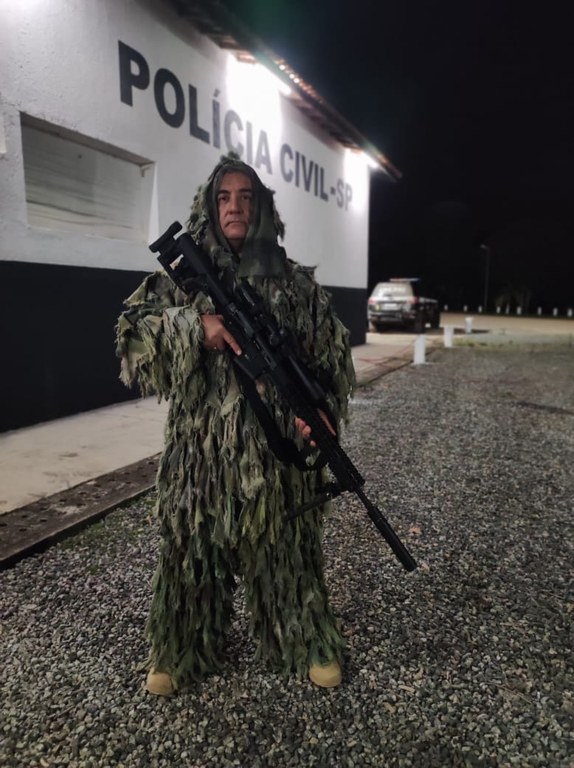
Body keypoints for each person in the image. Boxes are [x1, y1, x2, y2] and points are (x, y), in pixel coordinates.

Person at [116, 154, 355, 695]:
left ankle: (303, 640)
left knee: (285, 548)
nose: (234, 207)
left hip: (276, 459)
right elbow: (131, 337)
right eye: (224, 198)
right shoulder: (182, 283)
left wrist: (321, 412)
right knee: (192, 552)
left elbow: (328, 361)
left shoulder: (295, 285)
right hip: (199, 456)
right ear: (209, 207)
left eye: (246, 197)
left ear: (262, 208)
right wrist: (194, 326)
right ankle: (181, 648)